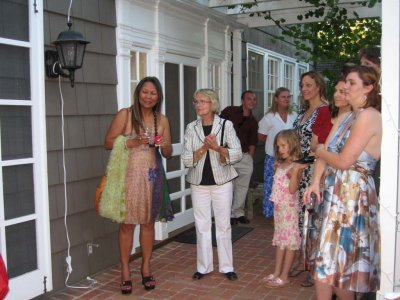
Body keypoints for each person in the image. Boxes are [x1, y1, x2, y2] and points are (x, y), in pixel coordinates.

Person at [304, 65, 381, 299]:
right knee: (323, 262)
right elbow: (326, 152)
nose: (345, 87)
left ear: (369, 88)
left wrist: (318, 150)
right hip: (332, 195)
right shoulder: (347, 116)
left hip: (352, 197)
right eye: (345, 82)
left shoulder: (369, 116)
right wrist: (315, 182)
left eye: (351, 83)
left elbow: (344, 160)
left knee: (343, 267)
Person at [104, 76, 174, 294]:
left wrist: (164, 144)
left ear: (158, 97)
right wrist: (130, 142)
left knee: (148, 224)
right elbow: (107, 143)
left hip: (152, 178)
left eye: (153, 93)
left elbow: (168, 153)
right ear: (138, 93)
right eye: (145, 92)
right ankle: (125, 270)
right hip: (128, 178)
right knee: (126, 224)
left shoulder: (161, 120)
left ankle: (146, 267)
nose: (148, 96)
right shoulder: (125, 114)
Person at [181, 88, 242, 281]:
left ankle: (227, 266)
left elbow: (237, 153)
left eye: (203, 101)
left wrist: (216, 148)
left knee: (223, 225)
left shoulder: (226, 125)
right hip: (199, 183)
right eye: (196, 102)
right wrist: (203, 148)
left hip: (222, 182)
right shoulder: (191, 128)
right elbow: (186, 160)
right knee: (202, 226)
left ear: (212, 104)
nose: (198, 105)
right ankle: (203, 267)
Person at [291, 71, 332, 287]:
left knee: (314, 220)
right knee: (301, 219)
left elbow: (324, 146)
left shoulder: (325, 110)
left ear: (319, 86)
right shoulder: (302, 112)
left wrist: (303, 163)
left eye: (309, 85)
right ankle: (303, 260)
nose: (304, 89)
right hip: (299, 170)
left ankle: (314, 268)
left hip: (314, 170)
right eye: (302, 85)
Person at [263, 129, 306, 288]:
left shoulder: (296, 166)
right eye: (278, 146)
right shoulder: (280, 164)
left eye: (283, 145)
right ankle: (276, 271)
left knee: (289, 243)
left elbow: (293, 189)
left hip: (289, 210)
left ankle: (285, 275)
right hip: (279, 210)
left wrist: (293, 174)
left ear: (292, 145)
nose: (279, 149)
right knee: (280, 241)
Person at [258, 87, 298, 218]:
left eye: (288, 97)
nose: (286, 99)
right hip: (273, 158)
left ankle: (287, 214)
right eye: (283, 97)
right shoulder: (269, 117)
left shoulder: (294, 116)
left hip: (291, 159)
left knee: (288, 187)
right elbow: (261, 137)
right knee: (273, 187)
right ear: (276, 99)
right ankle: (272, 215)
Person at [220, 90, 258, 225]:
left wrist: (250, 160)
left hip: (244, 156)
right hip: (228, 153)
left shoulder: (253, 121)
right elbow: (217, 126)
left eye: (254, 99)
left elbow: (253, 143)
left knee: (242, 186)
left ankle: (238, 213)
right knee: (227, 186)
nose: (252, 101)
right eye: (249, 99)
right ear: (243, 100)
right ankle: (227, 214)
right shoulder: (229, 112)